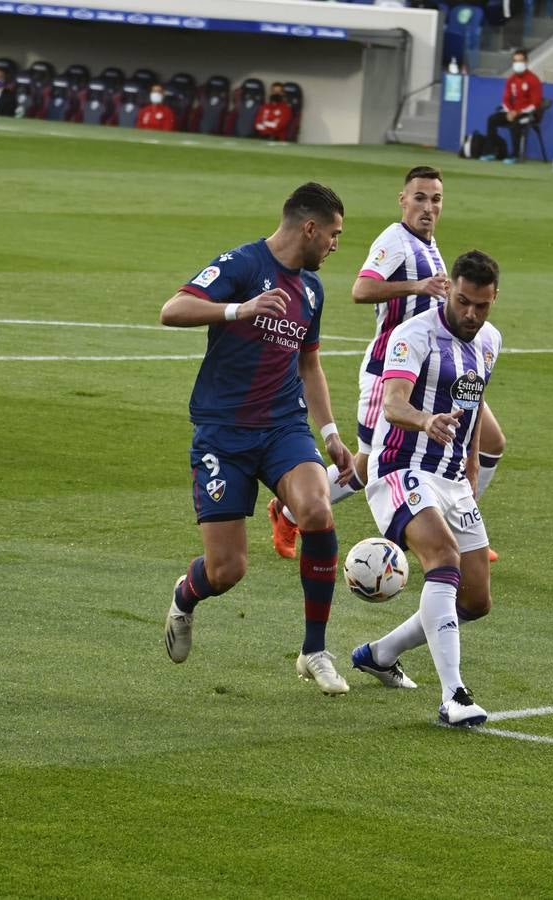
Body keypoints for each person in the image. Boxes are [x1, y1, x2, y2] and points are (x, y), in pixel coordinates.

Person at [160, 183, 357, 694]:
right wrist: (237, 310)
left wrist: (332, 435)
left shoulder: (311, 290)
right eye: (333, 234)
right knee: (228, 570)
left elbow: (308, 361)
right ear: (309, 228)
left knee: (317, 509)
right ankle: (186, 596)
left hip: (283, 428)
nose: (336, 245)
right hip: (223, 434)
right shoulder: (242, 265)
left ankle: (314, 650)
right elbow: (173, 309)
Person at [267, 166, 507, 565]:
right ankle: (289, 512)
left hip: (437, 374)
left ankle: (462, 524)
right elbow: (361, 289)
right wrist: (416, 286)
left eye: (435, 199)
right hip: (391, 373)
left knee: (491, 442)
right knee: (367, 465)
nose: (428, 207)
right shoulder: (396, 240)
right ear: (403, 200)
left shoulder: (430, 245)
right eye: (419, 198)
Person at [349, 250, 503, 727]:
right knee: (443, 557)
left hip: (453, 478)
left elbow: (473, 405)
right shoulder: (413, 335)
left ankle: (380, 653)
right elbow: (392, 405)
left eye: (481, 305)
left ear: (493, 299)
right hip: (400, 467)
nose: (471, 314)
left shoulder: (491, 341)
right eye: (462, 302)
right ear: (448, 291)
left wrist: (473, 462)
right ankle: (454, 695)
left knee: (475, 599)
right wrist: (425, 419)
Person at [481, 49, 542, 163]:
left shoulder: (533, 80)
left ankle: (514, 155)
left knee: (516, 124)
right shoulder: (511, 80)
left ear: (526, 61)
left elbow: (535, 103)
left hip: (527, 114)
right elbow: (506, 99)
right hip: (511, 112)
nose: (518, 64)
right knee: (492, 119)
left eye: (520, 61)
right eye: (515, 61)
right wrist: (509, 111)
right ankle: (490, 152)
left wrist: (517, 113)